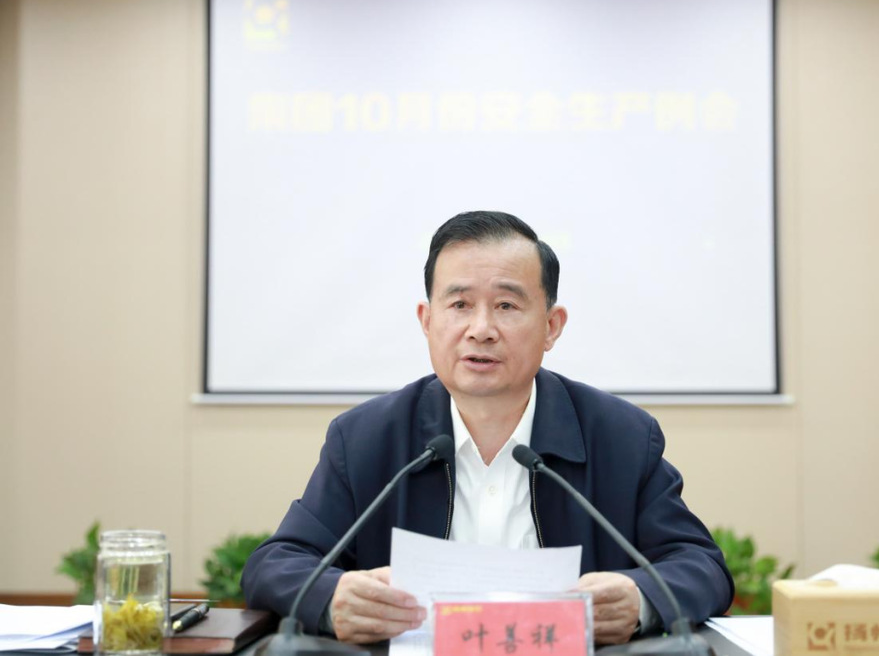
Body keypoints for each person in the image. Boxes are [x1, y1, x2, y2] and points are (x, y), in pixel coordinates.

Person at [241, 211, 733, 645]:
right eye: (459, 305)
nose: (481, 329)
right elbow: (276, 563)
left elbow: (702, 566)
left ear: (552, 326)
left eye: (506, 306)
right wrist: (331, 598)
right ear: (427, 320)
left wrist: (639, 599)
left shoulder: (620, 437)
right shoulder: (366, 438)